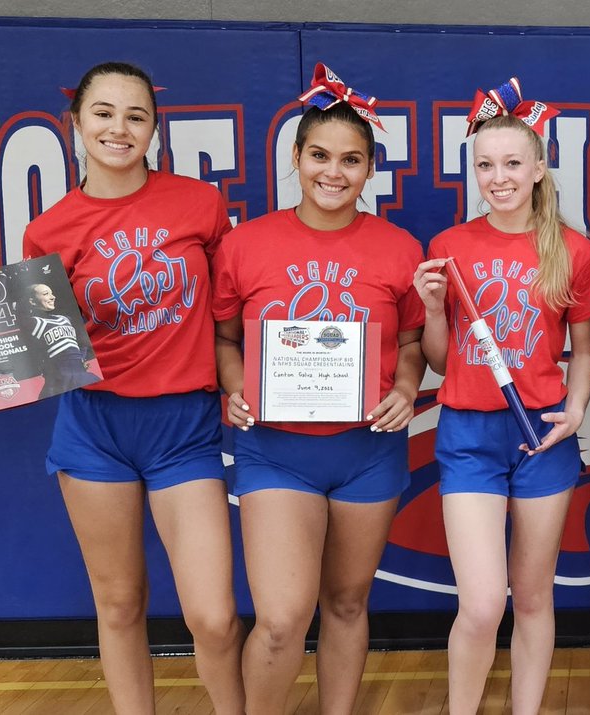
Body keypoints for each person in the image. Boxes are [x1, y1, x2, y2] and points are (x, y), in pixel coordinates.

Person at [22, 62, 244, 714]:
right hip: (95, 428)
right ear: (76, 124)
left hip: (184, 428)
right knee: (119, 602)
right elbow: (43, 357)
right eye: (104, 113)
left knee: (213, 614)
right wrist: (19, 345)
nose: (119, 128)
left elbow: (233, 310)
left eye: (136, 115)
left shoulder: (199, 204)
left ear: (154, 127)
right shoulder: (48, 229)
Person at [211, 63, 425, 714]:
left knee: (346, 602)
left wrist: (408, 388)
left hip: (368, 451)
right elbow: (224, 339)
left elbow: (414, 345)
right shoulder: (245, 245)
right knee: (280, 617)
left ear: (369, 170)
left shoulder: (399, 248)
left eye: (352, 159)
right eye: (320, 155)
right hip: (277, 450)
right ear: (296, 158)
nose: (334, 171)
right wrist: (236, 384)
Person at [412, 77, 590, 715]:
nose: (499, 177)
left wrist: (575, 412)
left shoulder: (572, 249)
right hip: (469, 435)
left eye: (514, 163)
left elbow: (582, 345)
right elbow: (441, 359)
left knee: (535, 594)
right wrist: (434, 309)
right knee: (485, 601)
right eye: (486, 165)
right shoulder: (451, 247)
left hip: (542, 435)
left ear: (539, 169)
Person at [26, 283, 101, 397]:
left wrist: (81, 358)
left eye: (52, 293)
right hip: (58, 382)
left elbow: (81, 343)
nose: (52, 297)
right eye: (46, 294)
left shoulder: (65, 319)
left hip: (82, 376)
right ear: (32, 301)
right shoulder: (32, 323)